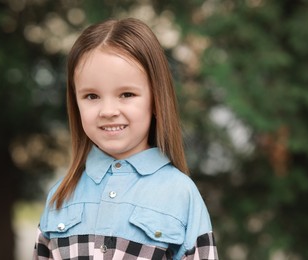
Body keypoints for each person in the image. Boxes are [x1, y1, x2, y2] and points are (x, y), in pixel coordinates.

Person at [33, 17, 218, 260]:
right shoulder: (60, 195)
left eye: (126, 94)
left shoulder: (181, 194)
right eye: (91, 96)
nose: (108, 111)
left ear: (156, 100)